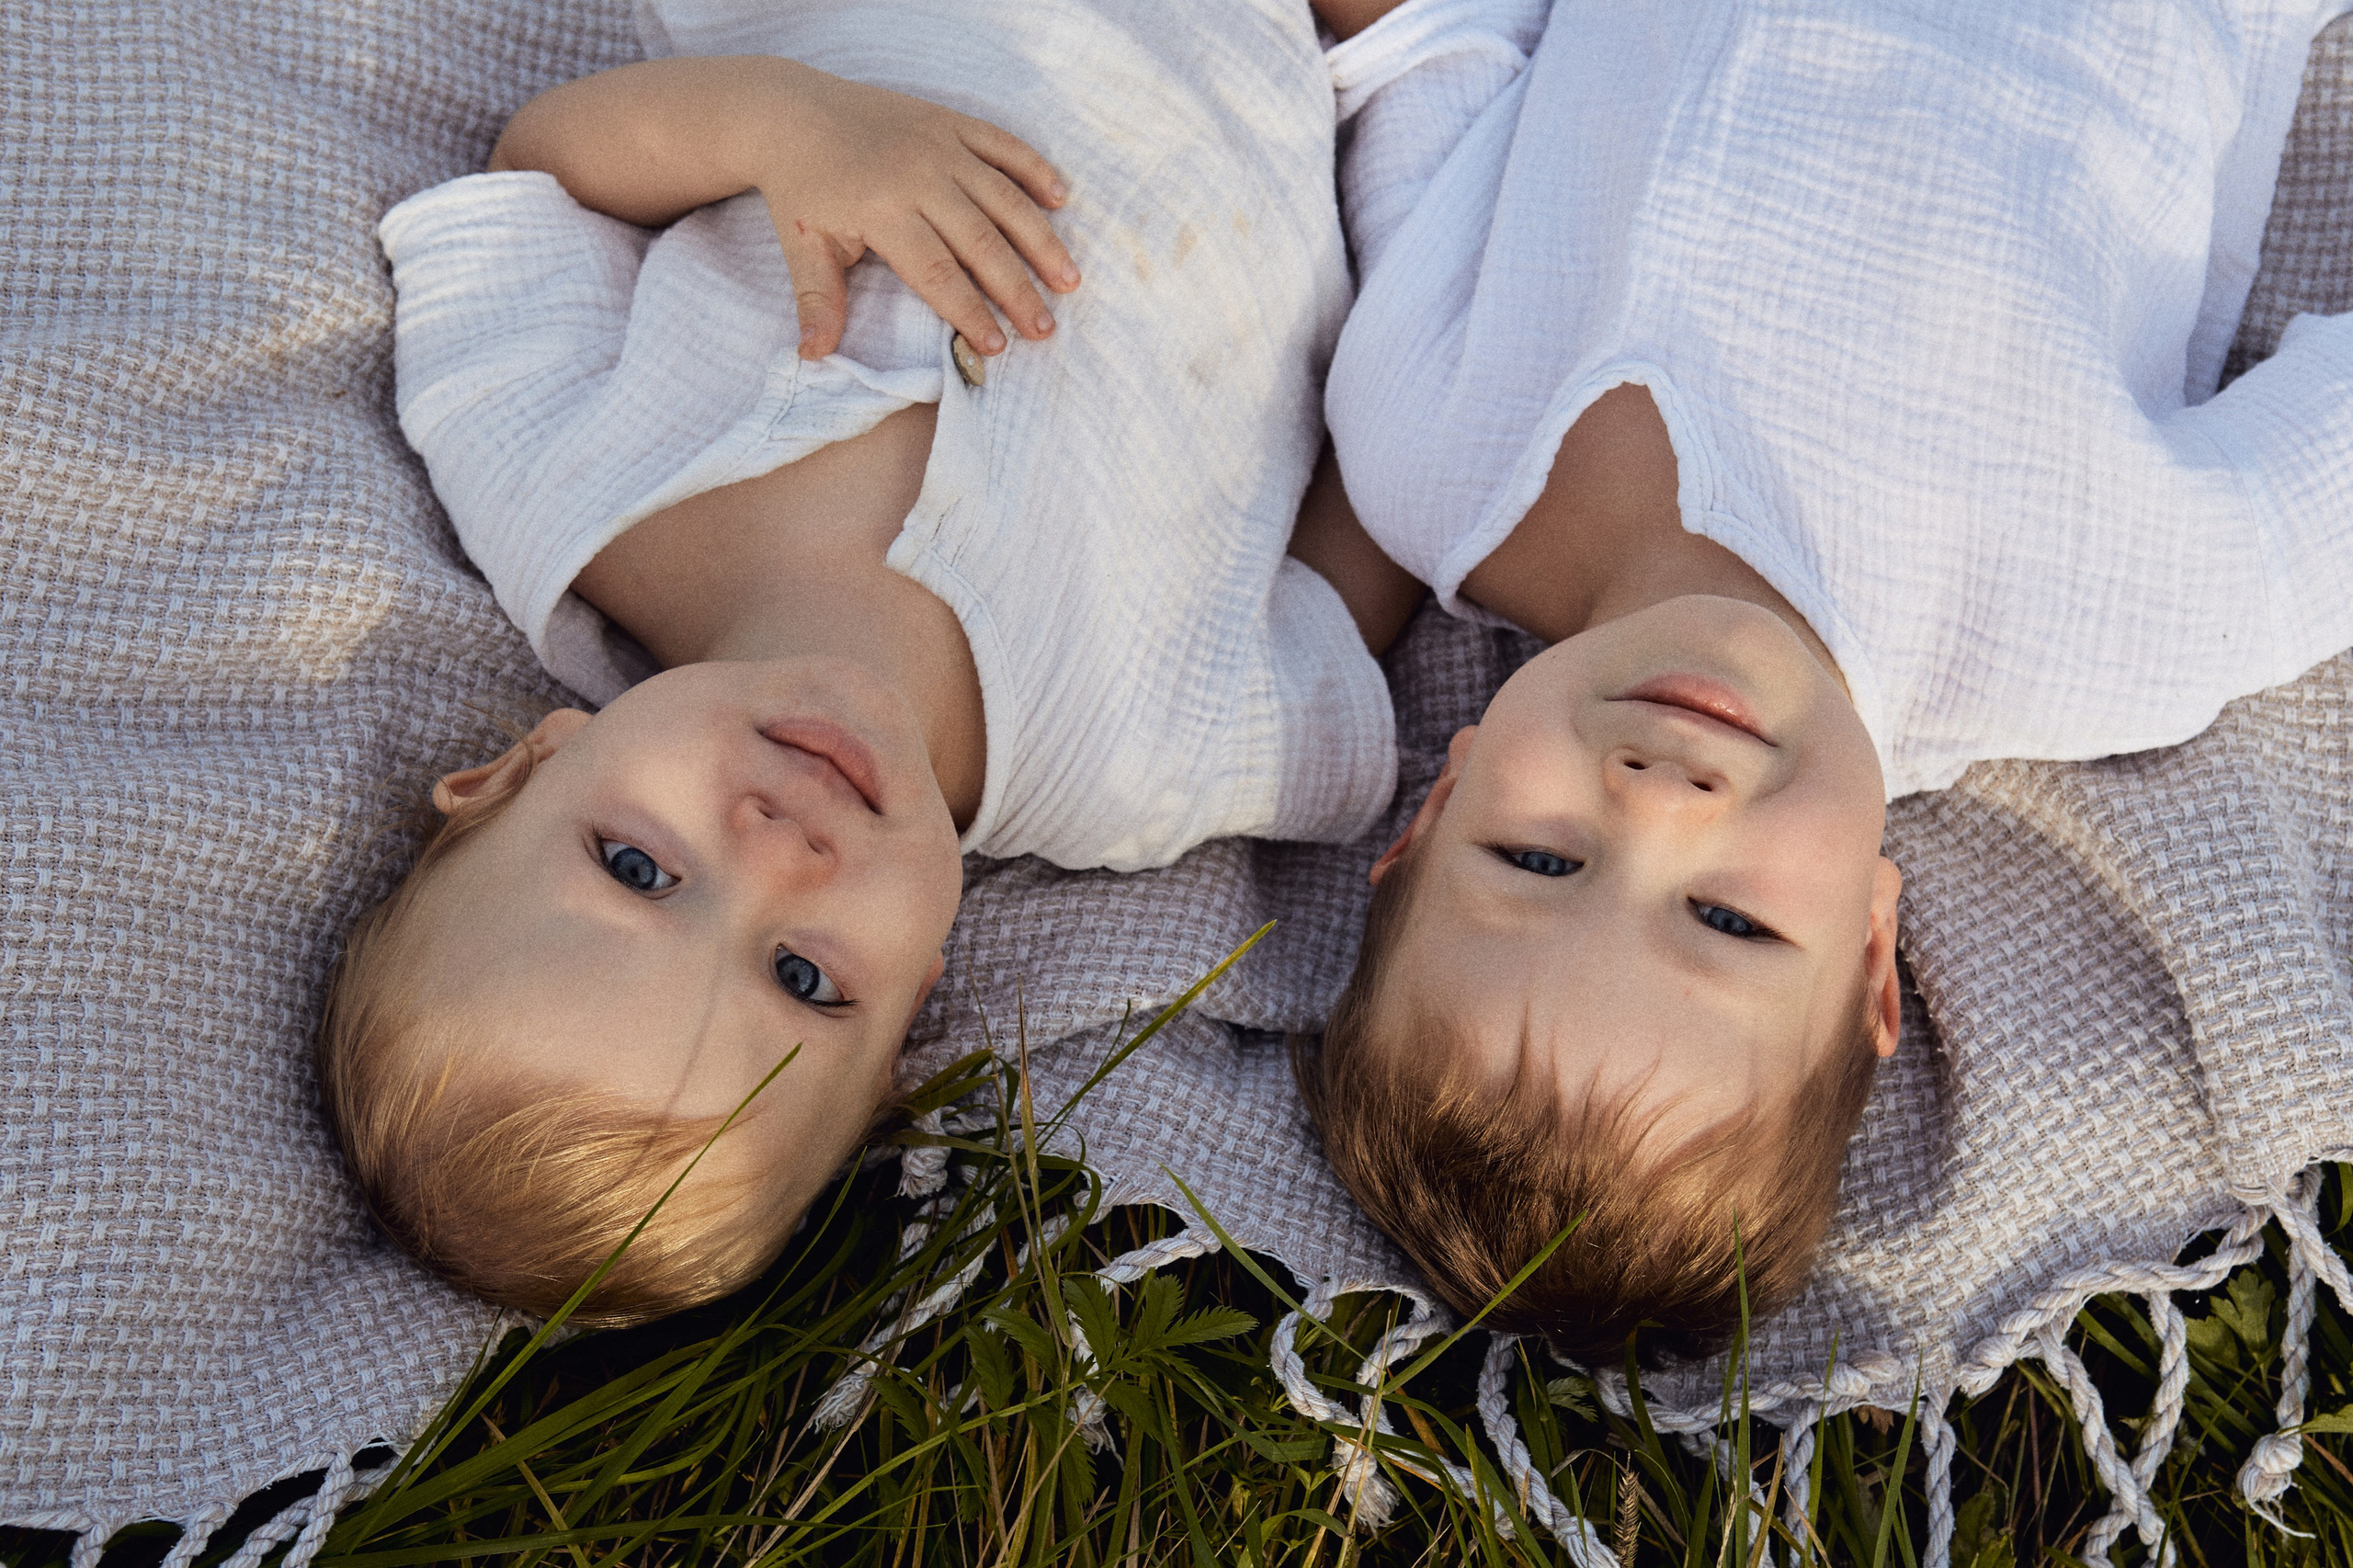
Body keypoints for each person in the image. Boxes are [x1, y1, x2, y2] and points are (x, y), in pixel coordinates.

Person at [321, 0, 1413, 1324]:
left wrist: (787, 126)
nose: (777, 845)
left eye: (635, 866)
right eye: (804, 977)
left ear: (522, 766)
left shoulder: (560, 486)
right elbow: (1363, 571)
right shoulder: (1139, 756)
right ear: (911, 1020)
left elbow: (536, 173)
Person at [1296, 0, 2353, 1365]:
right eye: (1730, 921)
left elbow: (1431, 48)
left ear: (1434, 808)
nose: (1662, 801)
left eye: (1543, 859)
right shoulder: (2096, 624)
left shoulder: (1431, 449)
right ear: (1870, 951)